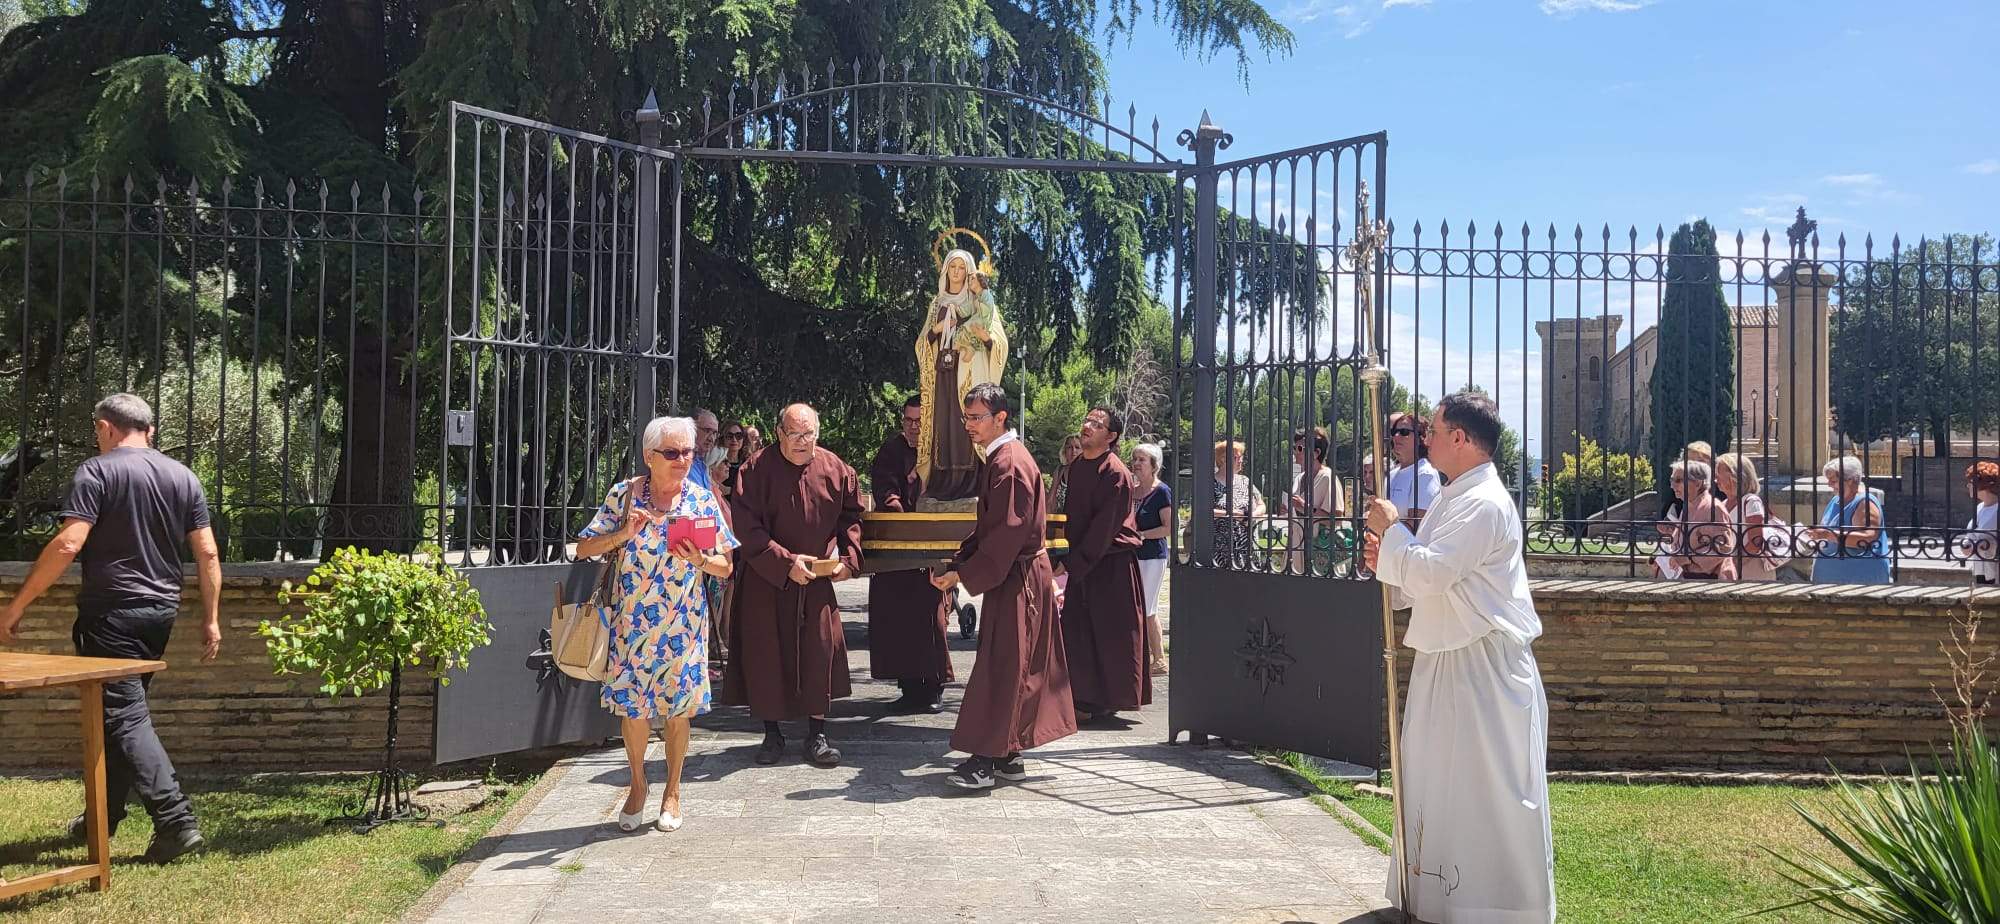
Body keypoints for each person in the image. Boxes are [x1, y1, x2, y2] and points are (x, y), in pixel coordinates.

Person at [0, 393, 221, 863]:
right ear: (150, 430)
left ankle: (175, 820)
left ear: (105, 427)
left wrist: (17, 604)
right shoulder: (184, 476)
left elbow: (68, 544)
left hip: (112, 615)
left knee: (125, 716)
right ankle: (102, 817)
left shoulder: (96, 471)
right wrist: (211, 618)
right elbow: (207, 553)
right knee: (117, 714)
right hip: (160, 613)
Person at [1361, 390, 1555, 924]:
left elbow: (1432, 571)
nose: (1425, 439)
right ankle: (1438, 899)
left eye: (1434, 430)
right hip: (1447, 661)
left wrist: (1392, 531)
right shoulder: (1456, 494)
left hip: (1484, 670)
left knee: (1484, 790)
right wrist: (1389, 558)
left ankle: (1493, 908)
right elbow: (1424, 573)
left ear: (1462, 439)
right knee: (1439, 780)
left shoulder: (1483, 502)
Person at [575, 415, 737, 833]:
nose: (682, 459)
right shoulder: (624, 497)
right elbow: (583, 548)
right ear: (649, 456)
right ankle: (638, 783)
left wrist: (699, 559)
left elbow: (725, 567)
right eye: (672, 452)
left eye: (687, 451)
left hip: (683, 626)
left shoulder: (701, 501)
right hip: (632, 627)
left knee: (679, 713)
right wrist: (622, 535)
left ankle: (674, 791)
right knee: (633, 712)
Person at [931, 383, 1075, 789]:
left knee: (1006, 668)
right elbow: (991, 529)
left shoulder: (1008, 462)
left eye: (977, 417)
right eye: (966, 417)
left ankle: (985, 762)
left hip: (1019, 578)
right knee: (1011, 663)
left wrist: (964, 574)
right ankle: (1009, 755)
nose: (969, 425)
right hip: (1013, 575)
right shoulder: (1001, 458)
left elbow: (1007, 535)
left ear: (1000, 417)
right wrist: (962, 564)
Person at [726, 403, 864, 766]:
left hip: (816, 579)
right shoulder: (755, 470)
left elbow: (852, 518)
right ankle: (772, 734)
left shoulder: (835, 469)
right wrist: (785, 564)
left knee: (819, 652)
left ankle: (817, 734)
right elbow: (745, 526)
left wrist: (849, 561)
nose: (804, 443)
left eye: (810, 435)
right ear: (779, 434)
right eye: (795, 435)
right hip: (767, 578)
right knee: (766, 656)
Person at [1058, 407, 1150, 725]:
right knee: (1078, 631)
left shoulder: (1116, 474)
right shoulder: (1078, 466)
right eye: (1087, 420)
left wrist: (1071, 563)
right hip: (1084, 562)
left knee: (1111, 635)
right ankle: (1082, 697)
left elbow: (1103, 528)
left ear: (1111, 437)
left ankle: (1107, 700)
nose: (1086, 426)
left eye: (1096, 424)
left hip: (1111, 566)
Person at [867, 396, 953, 713]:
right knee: (898, 618)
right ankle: (908, 685)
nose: (914, 427)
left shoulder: (940, 453)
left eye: (919, 421)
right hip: (898, 547)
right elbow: (885, 488)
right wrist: (901, 517)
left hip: (932, 546)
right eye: (908, 420)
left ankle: (933, 686)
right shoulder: (891, 450)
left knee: (932, 618)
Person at [914, 249, 1010, 501]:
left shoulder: (980, 300)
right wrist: (940, 327)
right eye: (952, 268)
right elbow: (923, 343)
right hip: (943, 374)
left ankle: (973, 484)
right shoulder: (937, 303)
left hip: (969, 372)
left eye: (961, 269)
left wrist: (984, 338)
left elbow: (999, 342)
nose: (957, 274)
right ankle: (942, 484)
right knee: (944, 423)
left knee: (969, 422)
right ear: (945, 271)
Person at [1807, 455, 1891, 585]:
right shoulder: (1836, 500)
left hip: (1858, 580)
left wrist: (1828, 535)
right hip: (1831, 579)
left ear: (1850, 480)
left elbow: (1868, 537)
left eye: (1833, 481)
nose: (1829, 485)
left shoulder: (1864, 502)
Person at [1130, 442, 1171, 676]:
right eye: (1135, 459)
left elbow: (1167, 528)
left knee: (1148, 607)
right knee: (1136, 607)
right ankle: (1143, 656)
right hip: (1133, 555)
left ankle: (1159, 659)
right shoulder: (1133, 491)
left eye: (1142, 460)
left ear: (1154, 465)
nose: (1136, 463)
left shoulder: (1161, 491)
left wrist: (1142, 535)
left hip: (1152, 557)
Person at [1663, 460, 1736, 580]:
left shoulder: (1713, 508)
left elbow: (1723, 548)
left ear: (1698, 483)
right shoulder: (1687, 507)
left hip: (1711, 582)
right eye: (1672, 480)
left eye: (1678, 480)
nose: (1672, 486)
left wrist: (1688, 558)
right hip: (1687, 578)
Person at [1288, 426, 1346, 576]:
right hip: (1298, 548)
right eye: (1295, 447)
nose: (1295, 451)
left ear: (1316, 453)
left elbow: (1337, 518)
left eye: (1300, 448)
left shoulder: (1327, 477)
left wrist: (1306, 508)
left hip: (1320, 551)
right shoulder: (1299, 478)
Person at [1714, 452, 1780, 582]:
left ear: (1734, 476)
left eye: (1718, 475)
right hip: (1729, 569)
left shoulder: (1751, 501)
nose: (1716, 480)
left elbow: (1756, 541)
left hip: (1751, 568)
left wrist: (1732, 563)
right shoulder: (1723, 504)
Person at [1210, 440, 1262, 569]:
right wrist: (1235, 514)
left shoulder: (1245, 481)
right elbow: (1204, 511)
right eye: (1237, 457)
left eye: (1241, 457)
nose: (1241, 461)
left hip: (1248, 545)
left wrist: (1251, 515)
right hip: (1221, 547)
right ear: (1223, 459)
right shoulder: (1210, 483)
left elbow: (1261, 504)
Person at [1385, 412, 1441, 532]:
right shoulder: (1391, 474)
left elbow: (1417, 525)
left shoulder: (1425, 473)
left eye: (1404, 432)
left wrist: (1383, 532)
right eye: (1394, 432)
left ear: (1421, 437)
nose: (1396, 437)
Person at [1957, 460, 1999, 586]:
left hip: (1995, 570)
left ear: (1982, 485)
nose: (1967, 486)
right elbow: (1970, 535)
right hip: (1980, 569)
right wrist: (1966, 545)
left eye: (1970, 482)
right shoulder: (1980, 507)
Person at [1051, 434, 1083, 511]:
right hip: (1062, 518)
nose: (1073, 451)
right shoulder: (1059, 471)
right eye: (1069, 447)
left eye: (1077, 447)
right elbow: (1051, 498)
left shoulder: (1089, 472)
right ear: (1064, 451)